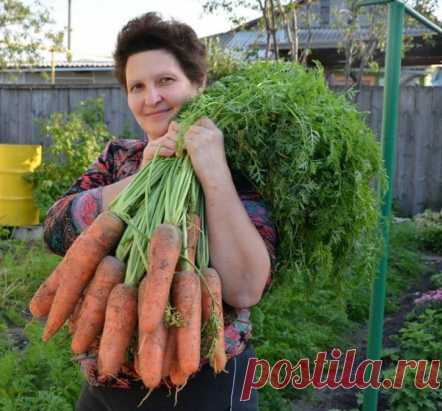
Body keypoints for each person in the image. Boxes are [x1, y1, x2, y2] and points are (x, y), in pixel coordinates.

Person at [43, 12, 277, 411]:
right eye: (137, 86)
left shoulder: (240, 170)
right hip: (105, 375)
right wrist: (141, 178)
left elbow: (244, 288)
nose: (151, 98)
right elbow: (55, 230)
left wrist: (214, 171)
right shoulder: (119, 158)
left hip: (204, 381)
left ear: (198, 83)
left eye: (166, 81)